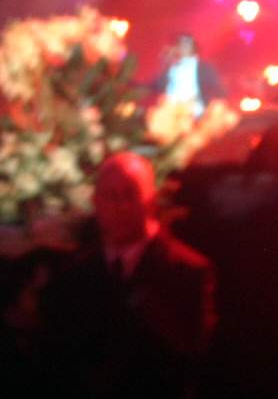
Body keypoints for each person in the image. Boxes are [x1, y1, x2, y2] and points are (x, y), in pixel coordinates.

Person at [40, 152, 218, 398]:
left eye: (130, 194)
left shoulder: (188, 270)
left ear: (152, 200)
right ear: (96, 202)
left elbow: (194, 355)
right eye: (110, 196)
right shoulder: (75, 272)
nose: (120, 206)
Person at [155, 33, 227, 117]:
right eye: (180, 43)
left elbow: (219, 90)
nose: (183, 46)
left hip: (196, 114)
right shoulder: (171, 67)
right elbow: (158, 87)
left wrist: (204, 101)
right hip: (173, 114)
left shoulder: (204, 67)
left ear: (193, 47)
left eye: (187, 43)